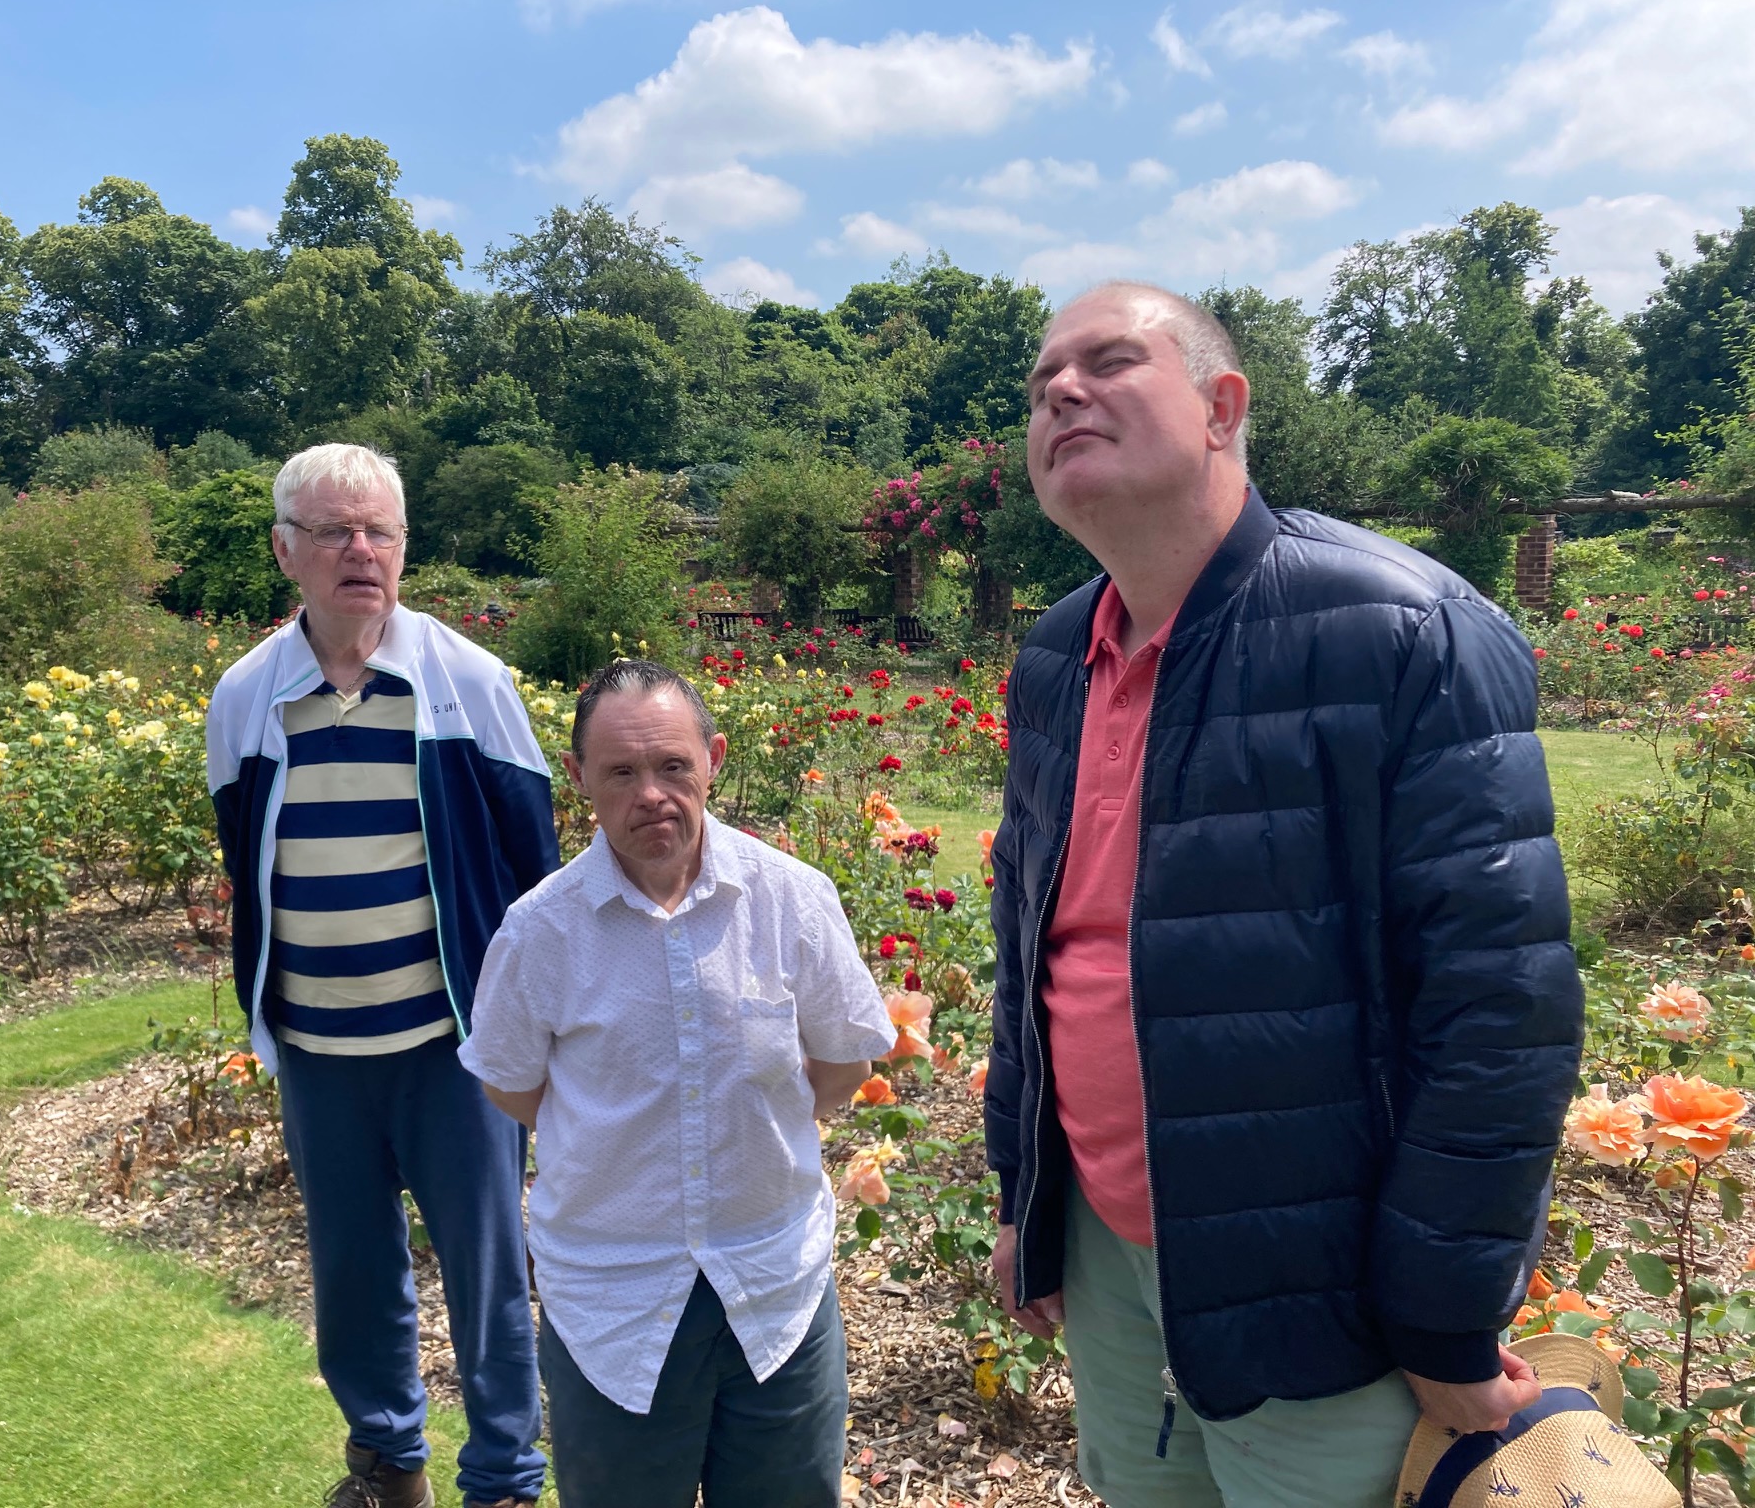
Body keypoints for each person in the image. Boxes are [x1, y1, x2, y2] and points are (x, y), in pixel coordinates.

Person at [984, 283, 1584, 1508]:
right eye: (1043, 381)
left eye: (1108, 362)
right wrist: (1028, 1201)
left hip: (1323, 1287)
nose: (1059, 391)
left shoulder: (1402, 631)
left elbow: (1500, 1007)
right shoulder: (1054, 658)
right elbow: (1029, 952)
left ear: (1221, 407)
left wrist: (1445, 1311)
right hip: (1109, 1261)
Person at [205, 443, 556, 1508]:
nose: (360, 551)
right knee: (353, 1280)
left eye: (380, 532)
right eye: (332, 531)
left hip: (454, 1049)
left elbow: (532, 872)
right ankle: (386, 1464)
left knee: (489, 1277)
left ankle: (503, 1477)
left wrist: (532, 1028)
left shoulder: (469, 684)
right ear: (285, 552)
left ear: (404, 549)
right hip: (317, 1048)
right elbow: (248, 862)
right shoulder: (246, 697)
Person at [459, 659, 896, 1508]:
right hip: (612, 1301)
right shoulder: (539, 932)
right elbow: (513, 1089)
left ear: (715, 759)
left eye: (672, 766)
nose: (650, 793)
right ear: (580, 777)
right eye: (621, 772)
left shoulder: (792, 901)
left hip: (774, 1286)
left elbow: (844, 1063)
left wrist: (755, 1128)